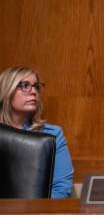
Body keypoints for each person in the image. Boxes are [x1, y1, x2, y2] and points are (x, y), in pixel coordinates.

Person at [0, 66, 74, 198]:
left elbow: (61, 188)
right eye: (25, 85)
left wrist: (33, 214)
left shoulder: (52, 134)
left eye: (36, 86)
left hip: (37, 214)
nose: (33, 92)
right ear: (7, 90)